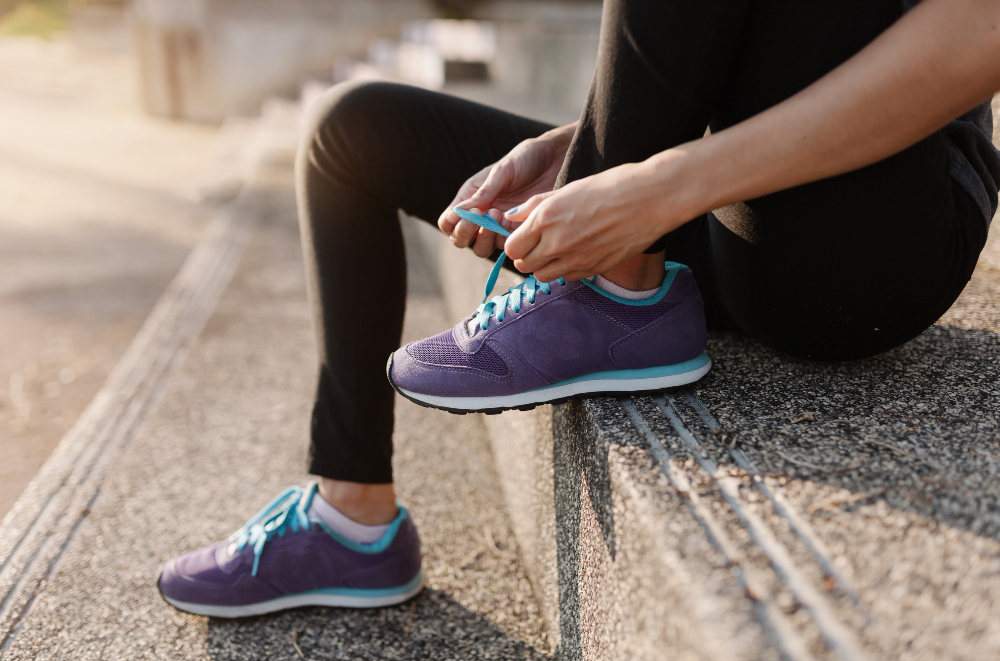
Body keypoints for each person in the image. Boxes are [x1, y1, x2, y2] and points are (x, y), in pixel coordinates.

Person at [158, 0, 1000, 617]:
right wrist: (591, 141)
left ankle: (612, 282)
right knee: (353, 132)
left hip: (877, 236)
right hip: (741, 193)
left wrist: (650, 188)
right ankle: (351, 518)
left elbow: (978, 35)